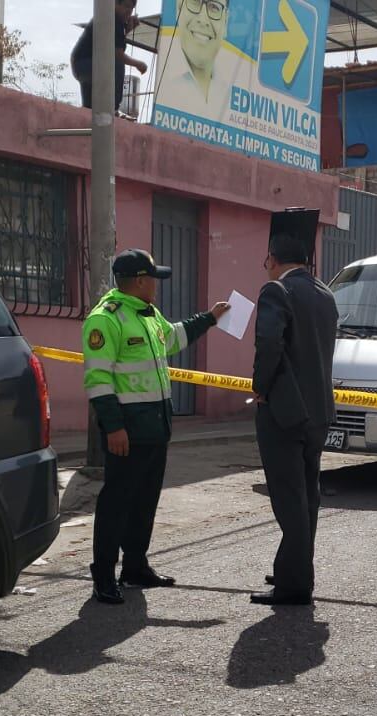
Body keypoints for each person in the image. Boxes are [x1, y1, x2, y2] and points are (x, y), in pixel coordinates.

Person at [82, 249, 229, 605]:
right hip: (127, 431)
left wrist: (208, 318)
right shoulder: (106, 319)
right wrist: (114, 428)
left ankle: (135, 566)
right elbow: (98, 380)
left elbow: (174, 337)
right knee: (116, 502)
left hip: (156, 427)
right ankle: (103, 574)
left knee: (145, 501)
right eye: (154, 280)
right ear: (139, 281)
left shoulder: (147, 315)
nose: (157, 286)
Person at [249, 233, 338, 606]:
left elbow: (269, 343)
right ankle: (295, 568)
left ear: (272, 259)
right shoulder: (325, 294)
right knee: (307, 496)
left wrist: (261, 389)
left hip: (284, 412)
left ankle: (294, 585)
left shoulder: (276, 292)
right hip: (318, 411)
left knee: (289, 499)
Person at [154, 0, 249, 121]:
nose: (203, 20)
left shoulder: (232, 93)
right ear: (178, 9)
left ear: (225, 22)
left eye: (214, 7)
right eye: (194, 2)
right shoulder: (165, 79)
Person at [70, 0, 147, 112]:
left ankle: (90, 111)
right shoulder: (114, 19)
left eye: (131, 8)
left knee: (90, 109)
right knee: (117, 65)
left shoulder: (111, 18)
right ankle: (113, 108)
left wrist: (127, 31)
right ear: (116, 4)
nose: (129, 11)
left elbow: (112, 46)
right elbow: (117, 54)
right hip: (86, 64)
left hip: (82, 64)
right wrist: (138, 64)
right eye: (126, 6)